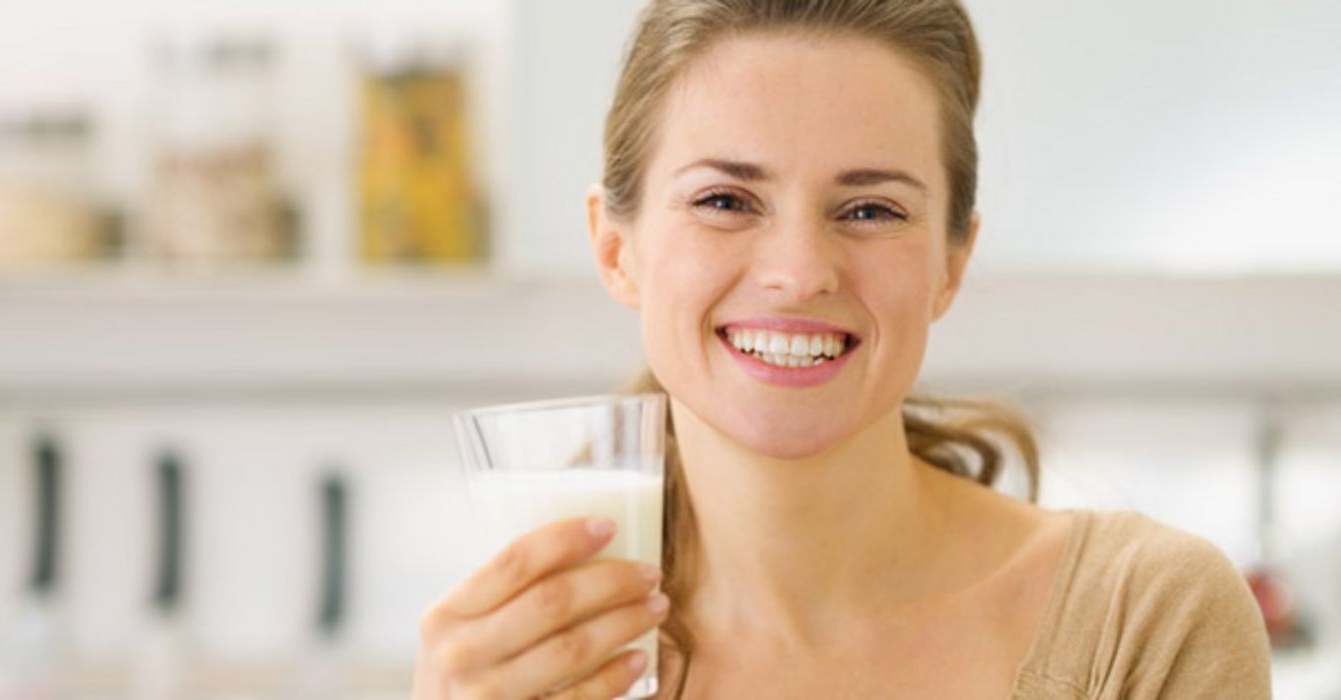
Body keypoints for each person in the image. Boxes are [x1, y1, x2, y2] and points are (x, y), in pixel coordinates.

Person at [411, 1, 1274, 697]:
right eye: (723, 200)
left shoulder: (1144, 621)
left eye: (870, 211)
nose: (798, 272)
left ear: (950, 262)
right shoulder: (541, 658)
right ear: (614, 248)